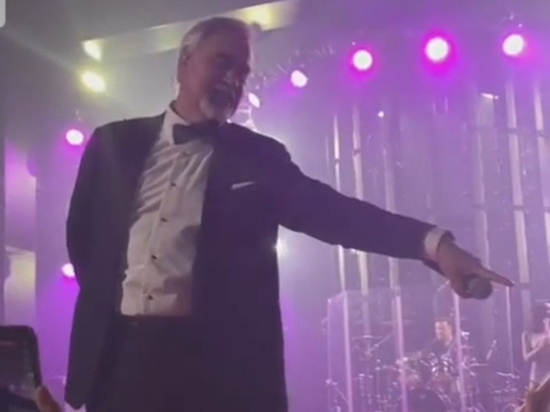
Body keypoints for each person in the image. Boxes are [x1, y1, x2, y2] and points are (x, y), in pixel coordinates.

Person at [64, 16, 513, 412]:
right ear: (184, 63)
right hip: (119, 362)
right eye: (222, 63)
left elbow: (334, 213)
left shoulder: (258, 157)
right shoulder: (113, 144)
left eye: (242, 73)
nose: (233, 80)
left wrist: (434, 245)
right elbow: (84, 242)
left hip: (210, 368)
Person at [523, 303, 550, 389]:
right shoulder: (528, 334)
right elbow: (527, 358)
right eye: (547, 311)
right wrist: (540, 347)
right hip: (537, 380)